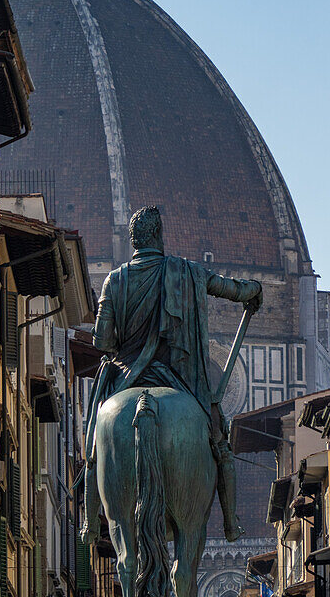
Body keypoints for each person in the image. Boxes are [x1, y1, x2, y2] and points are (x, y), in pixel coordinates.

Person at [80, 205, 262, 546]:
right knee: (219, 441)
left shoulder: (114, 280)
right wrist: (253, 290)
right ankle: (231, 521)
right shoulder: (186, 271)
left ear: (133, 240)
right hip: (178, 379)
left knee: (93, 443)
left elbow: (102, 342)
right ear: (160, 235)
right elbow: (230, 289)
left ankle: (90, 522)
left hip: (126, 379)